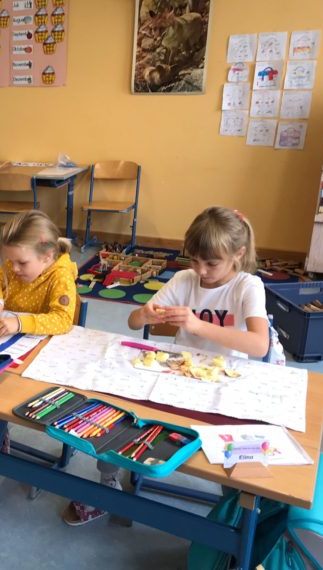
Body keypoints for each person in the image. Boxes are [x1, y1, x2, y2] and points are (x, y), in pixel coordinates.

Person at [63, 205, 269, 526]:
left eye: (211, 263)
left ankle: (234, 508)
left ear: (238, 254)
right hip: (178, 371)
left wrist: (198, 325)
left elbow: (259, 344)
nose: (201, 271)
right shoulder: (186, 279)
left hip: (223, 380)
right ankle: (108, 483)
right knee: (124, 411)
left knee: (230, 441)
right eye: (195, 260)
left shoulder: (247, 286)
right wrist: (144, 315)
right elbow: (133, 322)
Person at [0, 210, 78, 486]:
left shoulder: (60, 275)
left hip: (43, 353)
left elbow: (62, 320)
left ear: (48, 256)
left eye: (21, 263)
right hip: (10, 343)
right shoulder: (17, 263)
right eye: (11, 261)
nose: (15, 269)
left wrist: (18, 323)